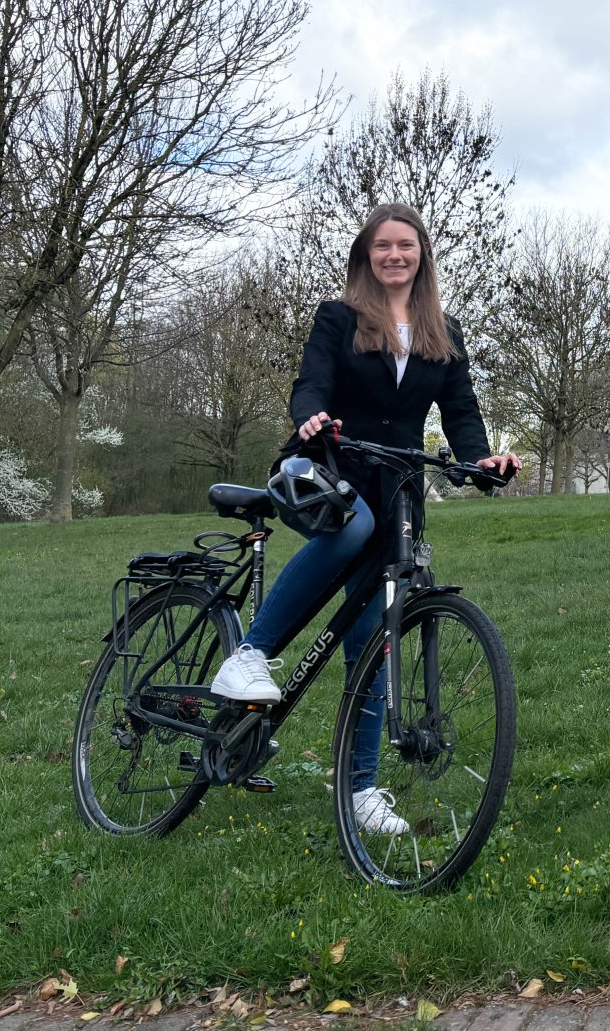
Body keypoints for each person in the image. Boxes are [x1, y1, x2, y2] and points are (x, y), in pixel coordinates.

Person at [209, 203, 519, 834]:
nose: (395, 256)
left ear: (422, 255)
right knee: (350, 528)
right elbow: (310, 383)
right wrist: (312, 416)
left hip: (396, 489)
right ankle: (250, 653)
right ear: (366, 255)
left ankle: (361, 791)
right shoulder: (339, 317)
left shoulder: (442, 333)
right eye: (383, 246)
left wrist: (480, 459)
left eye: (406, 245)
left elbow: (461, 414)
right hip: (325, 467)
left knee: (371, 645)